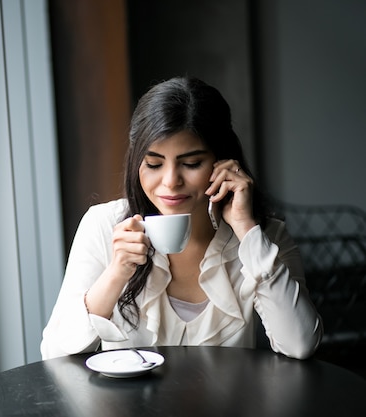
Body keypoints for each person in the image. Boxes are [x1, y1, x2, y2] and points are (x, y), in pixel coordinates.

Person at [41, 76, 322, 360]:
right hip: (128, 406)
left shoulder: (263, 237)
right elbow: (54, 354)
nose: (171, 181)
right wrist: (116, 273)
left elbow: (300, 344)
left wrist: (245, 229)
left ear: (222, 161)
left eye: (191, 164)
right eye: (153, 164)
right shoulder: (104, 226)